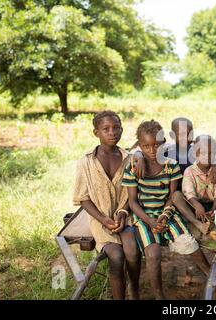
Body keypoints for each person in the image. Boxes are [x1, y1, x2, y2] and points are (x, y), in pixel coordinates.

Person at [122, 120, 210, 300]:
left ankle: (213, 277)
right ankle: (159, 295)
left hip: (168, 213)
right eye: (146, 146)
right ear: (140, 146)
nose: (152, 150)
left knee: (188, 243)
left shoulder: (171, 165)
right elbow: (132, 202)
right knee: (153, 254)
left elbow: (172, 195)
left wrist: (164, 215)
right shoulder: (133, 168)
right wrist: (150, 221)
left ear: (163, 143)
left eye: (156, 145)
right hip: (144, 216)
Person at [73, 110, 141, 300]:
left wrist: (121, 213)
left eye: (116, 128)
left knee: (133, 252)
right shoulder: (86, 162)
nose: (112, 132)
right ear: (96, 132)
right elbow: (83, 198)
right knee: (117, 257)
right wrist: (104, 218)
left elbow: (131, 194)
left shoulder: (130, 159)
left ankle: (134, 288)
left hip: (125, 217)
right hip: (100, 219)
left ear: (121, 129)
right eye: (106, 129)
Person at [178, 135, 216, 234]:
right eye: (203, 153)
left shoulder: (215, 170)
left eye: (211, 153)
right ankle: (196, 223)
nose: (207, 157)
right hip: (195, 204)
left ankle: (213, 222)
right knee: (176, 196)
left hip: (213, 205)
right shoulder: (190, 171)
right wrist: (197, 206)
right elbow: (188, 192)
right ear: (195, 154)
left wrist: (214, 209)